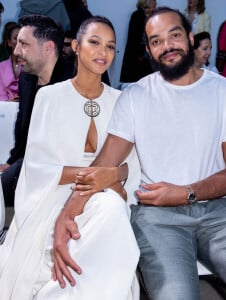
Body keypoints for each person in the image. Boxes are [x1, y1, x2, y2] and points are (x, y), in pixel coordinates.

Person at [51, 7, 226, 300]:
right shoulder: (135, 96)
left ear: (190, 37)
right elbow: (104, 163)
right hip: (157, 219)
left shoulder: (224, 92)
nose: (167, 46)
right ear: (148, 50)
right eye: (156, 41)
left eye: (175, 35)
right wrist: (65, 216)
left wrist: (185, 193)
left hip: (221, 213)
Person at [0, 16, 140, 299]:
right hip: (55, 194)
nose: (103, 52)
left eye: (111, 47)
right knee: (111, 208)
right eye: (94, 42)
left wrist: (111, 176)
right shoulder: (49, 97)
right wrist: (100, 175)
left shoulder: (122, 101)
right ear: (75, 46)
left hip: (108, 192)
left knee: (112, 206)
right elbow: (38, 166)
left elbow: (132, 164)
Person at [0, 15, 75, 207]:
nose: (16, 51)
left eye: (24, 44)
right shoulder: (27, 78)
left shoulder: (75, 82)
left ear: (48, 48)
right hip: (28, 165)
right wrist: (13, 161)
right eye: (17, 43)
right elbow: (22, 125)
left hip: (63, 173)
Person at [119, 0, 156, 85]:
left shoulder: (153, 17)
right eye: (152, 6)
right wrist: (139, 54)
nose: (154, 8)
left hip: (148, 54)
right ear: (146, 5)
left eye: (154, 6)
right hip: (137, 55)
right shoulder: (137, 15)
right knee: (136, 82)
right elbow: (134, 37)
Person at [0, 24, 21, 101]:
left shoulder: (31, 66)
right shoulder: (1, 67)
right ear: (9, 42)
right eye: (16, 38)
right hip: (5, 108)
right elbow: (1, 95)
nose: (19, 42)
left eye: (22, 39)